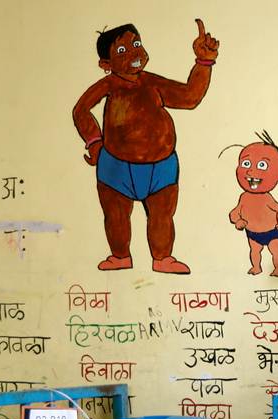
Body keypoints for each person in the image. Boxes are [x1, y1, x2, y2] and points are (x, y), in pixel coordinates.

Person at [72, 20, 220, 274]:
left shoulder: (152, 83)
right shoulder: (108, 86)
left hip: (161, 165)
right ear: (105, 65)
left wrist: (203, 62)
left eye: (136, 44)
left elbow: (189, 97)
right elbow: (81, 110)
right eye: (121, 51)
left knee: (162, 215)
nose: (134, 53)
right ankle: (120, 256)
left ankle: (163, 258)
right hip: (116, 166)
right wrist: (95, 142)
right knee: (116, 216)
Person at [229, 131, 278, 277]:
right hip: (253, 233)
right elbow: (234, 213)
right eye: (246, 163)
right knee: (255, 251)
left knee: (277, 251)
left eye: (262, 165)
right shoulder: (244, 197)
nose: (251, 170)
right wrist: (238, 221)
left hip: (273, 232)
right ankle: (256, 267)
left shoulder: (267, 198)